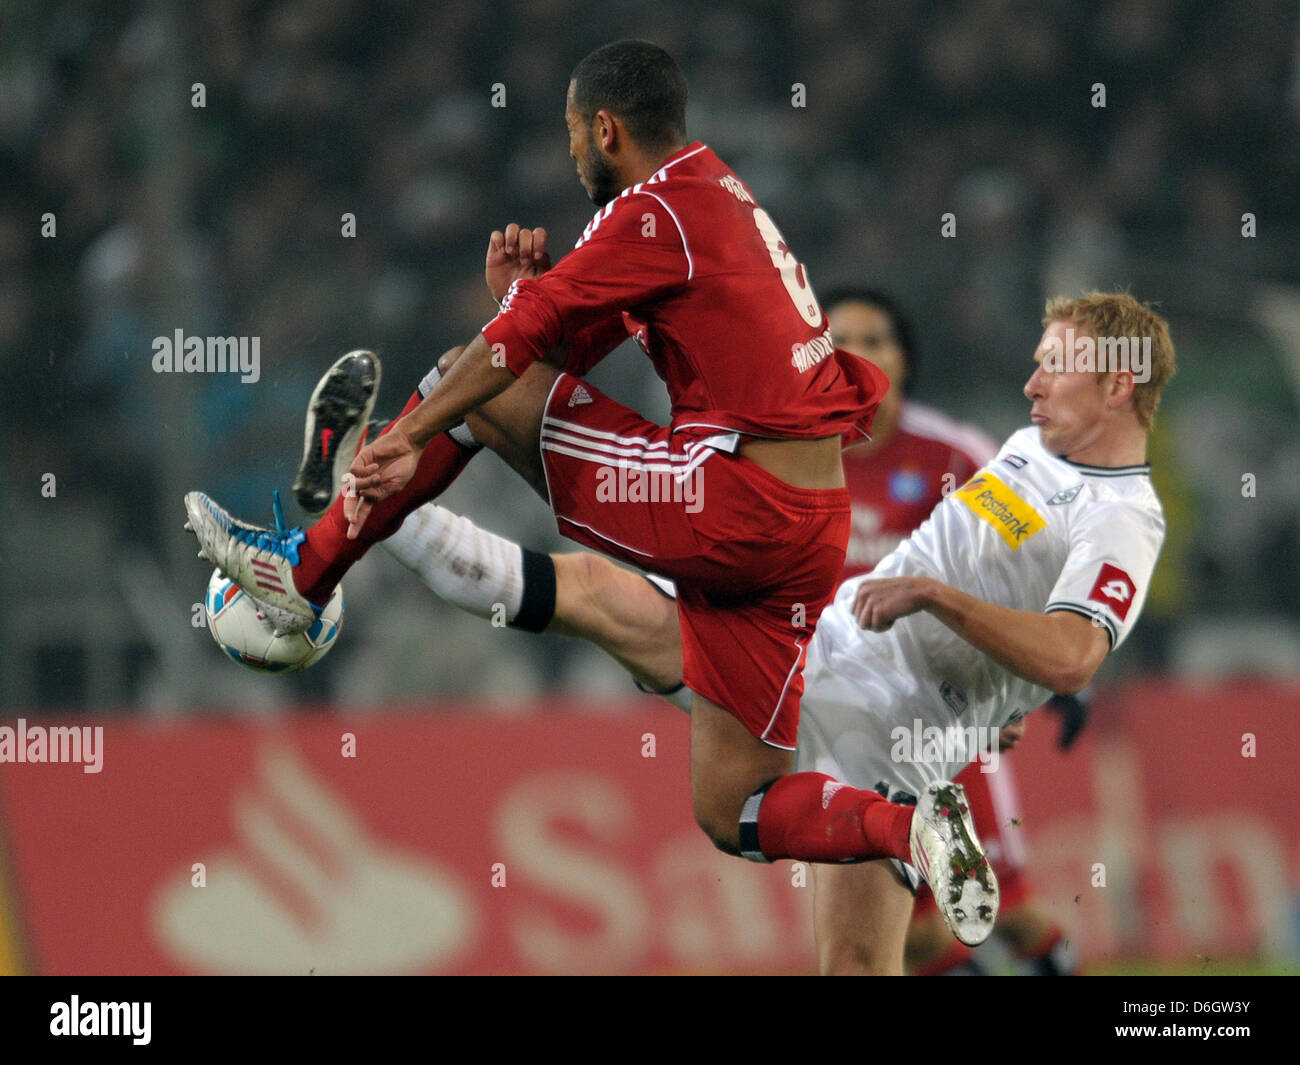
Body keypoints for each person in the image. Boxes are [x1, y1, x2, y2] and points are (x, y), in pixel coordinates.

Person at [183, 40, 996, 945]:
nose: (572, 155)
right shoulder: (708, 197)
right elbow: (559, 339)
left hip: (734, 501)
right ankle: (909, 826)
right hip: (806, 528)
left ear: (604, 129)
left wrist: (417, 423)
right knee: (734, 806)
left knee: (466, 382)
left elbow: (512, 352)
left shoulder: (656, 211)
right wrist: (522, 300)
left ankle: (305, 578)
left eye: (573, 136)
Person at [359, 290, 1175, 972]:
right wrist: (1004, 689)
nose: (1032, 380)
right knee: (596, 593)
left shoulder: (1122, 520)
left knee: (601, 596)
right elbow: (1017, 598)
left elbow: (1072, 655)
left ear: (1116, 387)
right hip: (838, 657)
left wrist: (935, 599)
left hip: (887, 727)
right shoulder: (1035, 449)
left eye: (1055, 366)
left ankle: (368, 506)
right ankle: (372, 506)